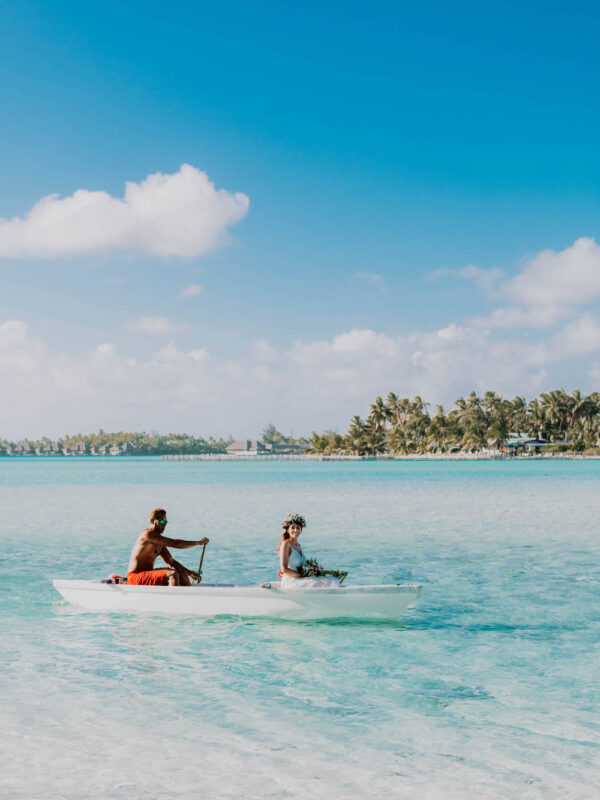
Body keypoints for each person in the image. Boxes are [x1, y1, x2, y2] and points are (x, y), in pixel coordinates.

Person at [127, 508, 209, 586]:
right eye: (162, 522)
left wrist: (189, 573)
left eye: (166, 523)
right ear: (152, 521)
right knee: (172, 574)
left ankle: (188, 599)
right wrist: (198, 543)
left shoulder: (159, 542)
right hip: (135, 576)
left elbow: (171, 562)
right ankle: (173, 600)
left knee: (182, 573)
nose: (164, 525)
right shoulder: (147, 534)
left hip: (148, 575)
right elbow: (176, 543)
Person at [278, 513, 340, 590]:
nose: (296, 530)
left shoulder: (298, 545)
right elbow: (284, 569)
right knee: (331, 580)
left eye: (298, 528)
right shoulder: (286, 544)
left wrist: (316, 568)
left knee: (332, 578)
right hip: (292, 581)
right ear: (287, 530)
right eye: (293, 528)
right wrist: (303, 576)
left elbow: (303, 565)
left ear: (301, 530)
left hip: (300, 579)